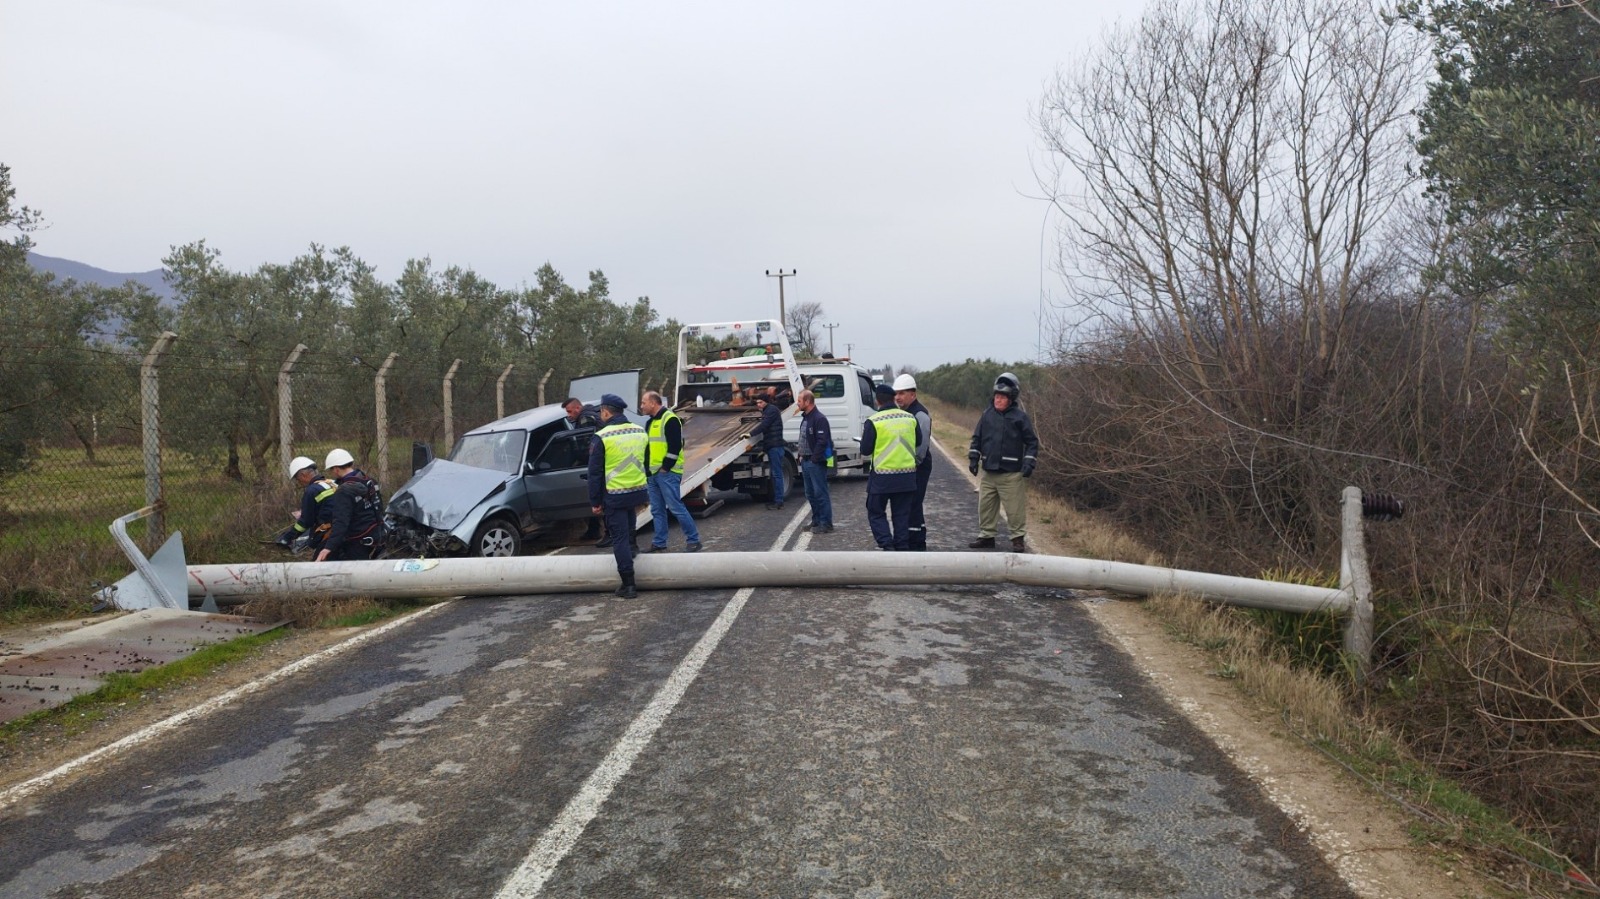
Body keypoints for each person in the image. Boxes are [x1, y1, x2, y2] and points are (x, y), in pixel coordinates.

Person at [968, 372, 1040, 553]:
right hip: (989, 471)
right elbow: (977, 438)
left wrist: (1029, 463)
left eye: (1002, 397)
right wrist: (974, 459)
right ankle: (986, 537)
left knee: (1015, 510)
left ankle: (1017, 539)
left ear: (1011, 398)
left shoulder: (1020, 417)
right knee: (985, 506)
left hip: (1011, 473)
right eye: (996, 396)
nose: (998, 400)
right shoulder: (987, 415)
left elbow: (1032, 442)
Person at [588, 394, 649, 598]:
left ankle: (629, 584)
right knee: (630, 531)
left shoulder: (602, 436)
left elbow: (595, 473)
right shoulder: (640, 431)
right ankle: (633, 554)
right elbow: (645, 462)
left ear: (606, 412)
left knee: (619, 538)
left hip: (614, 494)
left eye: (601, 412)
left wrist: (595, 502)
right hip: (637, 491)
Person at [639, 390, 703, 554]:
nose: (641, 406)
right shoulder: (650, 422)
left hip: (667, 473)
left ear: (653, 403)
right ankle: (659, 542)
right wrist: (648, 470)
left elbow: (675, 447)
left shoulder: (670, 419)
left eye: (643, 402)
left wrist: (665, 468)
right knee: (657, 510)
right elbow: (649, 448)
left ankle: (694, 540)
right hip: (654, 474)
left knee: (675, 507)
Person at [860, 398, 923, 551]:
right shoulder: (910, 418)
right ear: (893, 399)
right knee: (901, 515)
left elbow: (865, 450)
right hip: (907, 477)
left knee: (875, 511)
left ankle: (887, 545)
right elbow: (918, 440)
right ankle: (902, 547)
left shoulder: (874, 420)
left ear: (878, 400)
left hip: (882, 477)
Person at [316, 448, 386, 562]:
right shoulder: (371, 481)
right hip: (377, 537)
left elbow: (341, 522)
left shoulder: (344, 491)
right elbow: (379, 509)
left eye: (331, 470)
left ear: (336, 469)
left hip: (357, 542)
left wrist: (328, 548)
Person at [893, 374, 934, 551]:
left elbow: (922, 446)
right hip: (909, 466)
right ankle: (916, 538)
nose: (897, 397)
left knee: (914, 503)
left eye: (902, 393)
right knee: (911, 503)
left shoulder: (920, 414)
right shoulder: (906, 413)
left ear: (913, 394)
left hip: (918, 466)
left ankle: (916, 543)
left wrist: (914, 464)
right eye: (896, 393)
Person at [562, 397, 609, 544]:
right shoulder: (590, 415)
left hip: (599, 464)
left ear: (577, 408)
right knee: (596, 499)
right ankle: (594, 531)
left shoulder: (585, 419)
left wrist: (575, 460)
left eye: (570, 411)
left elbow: (586, 447)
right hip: (602, 463)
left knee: (602, 501)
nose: (568, 415)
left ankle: (609, 534)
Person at [273, 455, 338, 554]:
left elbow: (306, 522)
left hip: (330, 534)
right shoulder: (333, 482)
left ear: (303, 475)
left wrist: (287, 537)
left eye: (298, 479)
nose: (299, 483)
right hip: (345, 527)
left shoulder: (311, 491)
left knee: (319, 561)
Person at [796, 388, 834, 533]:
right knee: (810, 493)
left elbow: (822, 441)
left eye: (799, 401)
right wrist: (800, 455)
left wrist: (814, 459)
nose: (797, 403)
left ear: (807, 401)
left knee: (820, 493)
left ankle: (826, 523)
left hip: (815, 463)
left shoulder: (819, 419)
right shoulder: (806, 417)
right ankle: (817, 520)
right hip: (805, 462)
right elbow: (804, 439)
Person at [749, 392, 787, 510]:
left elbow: (764, 426)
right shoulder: (769, 410)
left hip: (775, 447)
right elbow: (769, 433)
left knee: (777, 474)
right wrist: (764, 450)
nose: (758, 405)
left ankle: (779, 501)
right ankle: (776, 500)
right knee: (775, 474)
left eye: (760, 402)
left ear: (766, 401)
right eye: (757, 403)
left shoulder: (771, 411)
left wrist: (750, 434)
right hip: (772, 447)